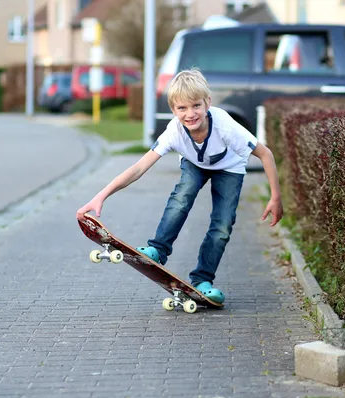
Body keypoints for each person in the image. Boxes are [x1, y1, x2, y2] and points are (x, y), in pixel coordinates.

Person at [76, 68, 283, 304]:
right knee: (183, 196)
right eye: (182, 108)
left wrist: (275, 197)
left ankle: (203, 280)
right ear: (173, 110)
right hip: (194, 163)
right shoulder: (174, 131)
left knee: (222, 224)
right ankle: (158, 249)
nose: (190, 114)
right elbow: (138, 169)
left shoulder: (226, 126)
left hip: (229, 168)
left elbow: (265, 154)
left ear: (208, 103)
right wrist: (101, 195)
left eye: (196, 106)